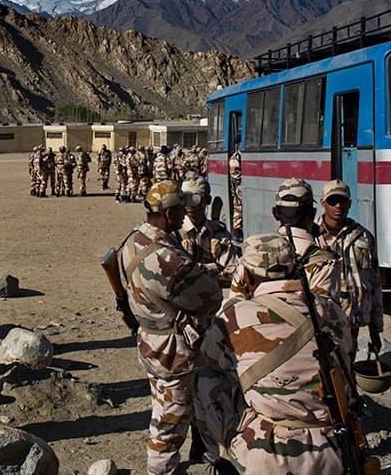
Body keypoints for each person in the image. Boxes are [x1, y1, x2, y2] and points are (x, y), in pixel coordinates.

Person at [197, 234, 352, 473]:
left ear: (246, 275)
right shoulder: (330, 309)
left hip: (268, 453)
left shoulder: (234, 317)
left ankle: (224, 458)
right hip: (334, 444)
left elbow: (209, 356)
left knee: (206, 376)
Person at [117, 180, 222, 474]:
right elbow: (209, 298)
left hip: (151, 342)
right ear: (169, 213)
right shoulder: (167, 258)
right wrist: (209, 275)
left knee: (163, 407)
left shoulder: (135, 240)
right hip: (173, 353)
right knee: (169, 424)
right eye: (179, 210)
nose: (184, 215)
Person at [228, 178, 341, 303]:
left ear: (275, 213)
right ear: (313, 213)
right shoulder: (325, 263)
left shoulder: (253, 255)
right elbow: (328, 314)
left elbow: (234, 305)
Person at [316, 179, 384, 361]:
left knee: (347, 370)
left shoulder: (363, 238)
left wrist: (375, 329)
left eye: (342, 201)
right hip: (320, 321)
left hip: (350, 321)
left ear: (349, 204)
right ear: (323, 203)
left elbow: (375, 283)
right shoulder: (311, 237)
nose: (338, 206)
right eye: (332, 201)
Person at [179, 179, 239, 287]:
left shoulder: (219, 232)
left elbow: (231, 274)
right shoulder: (175, 233)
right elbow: (176, 274)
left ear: (207, 200)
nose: (190, 205)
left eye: (195, 199)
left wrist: (195, 272)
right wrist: (215, 268)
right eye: (186, 199)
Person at [228, 138, 243, 242]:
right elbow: (235, 175)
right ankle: (236, 232)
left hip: (244, 185)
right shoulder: (235, 158)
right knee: (238, 210)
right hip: (240, 186)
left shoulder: (244, 156)